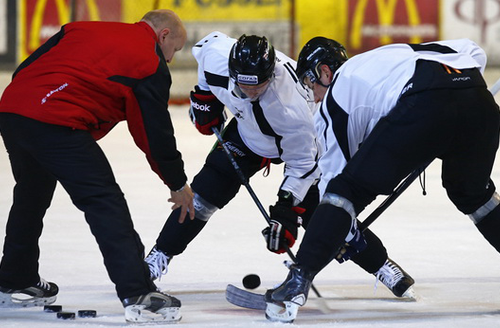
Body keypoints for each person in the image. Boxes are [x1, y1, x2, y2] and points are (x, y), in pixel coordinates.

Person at [146, 31, 415, 299]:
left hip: (299, 149)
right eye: (243, 85)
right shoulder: (216, 57)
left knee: (325, 216)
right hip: (247, 135)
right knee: (203, 194)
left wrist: (285, 211)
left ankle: (381, 265)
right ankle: (157, 257)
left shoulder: (292, 110)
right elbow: (204, 53)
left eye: (258, 86)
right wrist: (206, 99)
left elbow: (302, 165)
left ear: (271, 75)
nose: (250, 91)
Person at [264, 36, 500, 323]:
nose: (311, 95)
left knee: (346, 190)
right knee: (474, 195)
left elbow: (335, 192)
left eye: (308, 83)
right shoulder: (385, 57)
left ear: (325, 72)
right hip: (479, 103)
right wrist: (446, 118)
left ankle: (297, 279)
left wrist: (336, 234)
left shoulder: (336, 97)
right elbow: (473, 52)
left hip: (422, 104)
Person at [0, 9, 193, 323]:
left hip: (12, 110)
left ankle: (14, 280)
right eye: (175, 49)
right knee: (104, 201)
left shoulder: (81, 28)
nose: (170, 59)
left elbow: (25, 68)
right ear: (164, 35)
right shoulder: (149, 61)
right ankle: (139, 294)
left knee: (30, 198)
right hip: (57, 120)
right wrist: (177, 182)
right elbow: (154, 133)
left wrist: (29, 104)